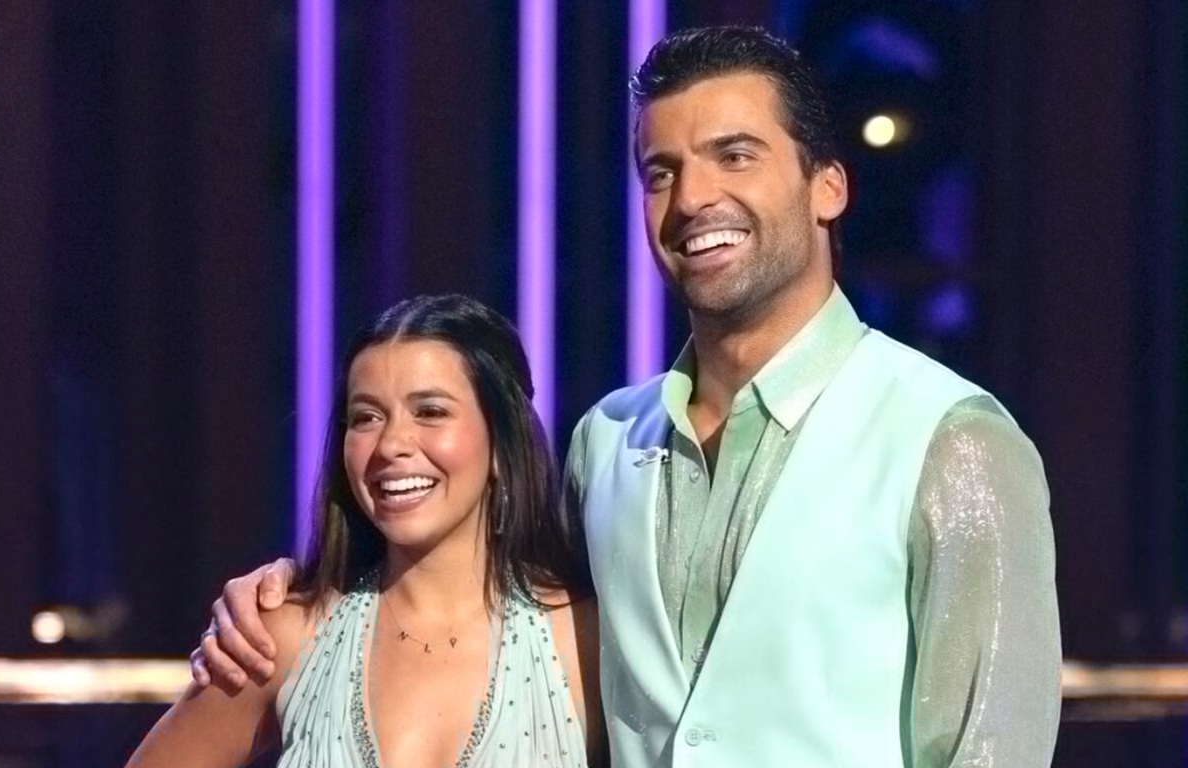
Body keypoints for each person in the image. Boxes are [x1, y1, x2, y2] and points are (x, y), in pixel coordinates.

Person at [194, 25, 1061, 768]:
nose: (693, 199)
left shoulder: (951, 440)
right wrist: (287, 594)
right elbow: (493, 616)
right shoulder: (605, 441)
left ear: (827, 186)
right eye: (660, 171)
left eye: (735, 155)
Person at [129, 294, 604, 767]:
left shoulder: (587, 639)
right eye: (366, 417)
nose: (391, 444)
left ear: (502, 443)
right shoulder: (283, 635)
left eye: (430, 411)